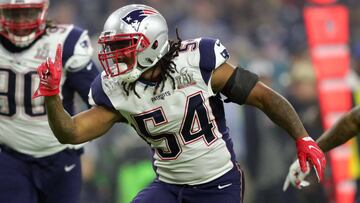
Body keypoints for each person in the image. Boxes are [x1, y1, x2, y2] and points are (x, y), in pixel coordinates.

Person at [33, 4, 326, 203]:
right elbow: (70, 133)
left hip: (217, 185)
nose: (115, 59)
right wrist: (50, 97)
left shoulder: (198, 62)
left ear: (151, 45)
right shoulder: (116, 89)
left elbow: (263, 96)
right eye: (113, 50)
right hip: (169, 187)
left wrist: (301, 137)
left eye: (123, 49)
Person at [0, 0, 99, 202]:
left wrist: (83, 136)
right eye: (13, 14)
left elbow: (96, 99)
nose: (21, 22)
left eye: (28, 13)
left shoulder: (65, 41)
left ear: (43, 10)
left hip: (60, 154)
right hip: (9, 155)